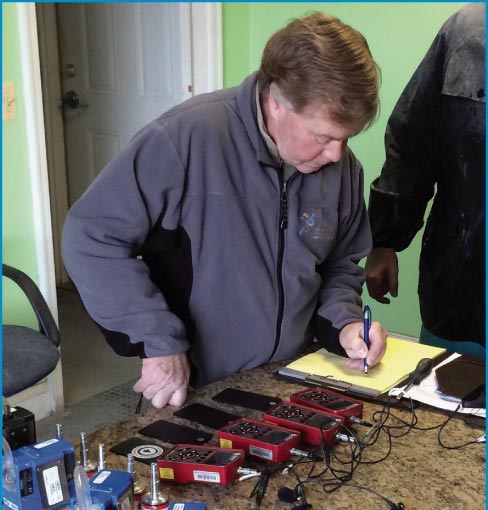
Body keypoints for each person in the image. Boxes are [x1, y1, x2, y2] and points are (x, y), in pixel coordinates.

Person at [62, 12, 387, 409]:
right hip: (200, 388)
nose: (337, 154)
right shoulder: (184, 140)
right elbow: (92, 236)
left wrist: (347, 324)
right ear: (278, 100)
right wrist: (157, 342)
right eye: (323, 137)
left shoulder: (341, 167)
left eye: (345, 138)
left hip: (293, 379)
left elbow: (339, 265)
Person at [366, 3, 485, 358]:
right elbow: (413, 141)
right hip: (461, 287)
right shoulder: (467, 31)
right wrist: (385, 241)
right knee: (441, 403)